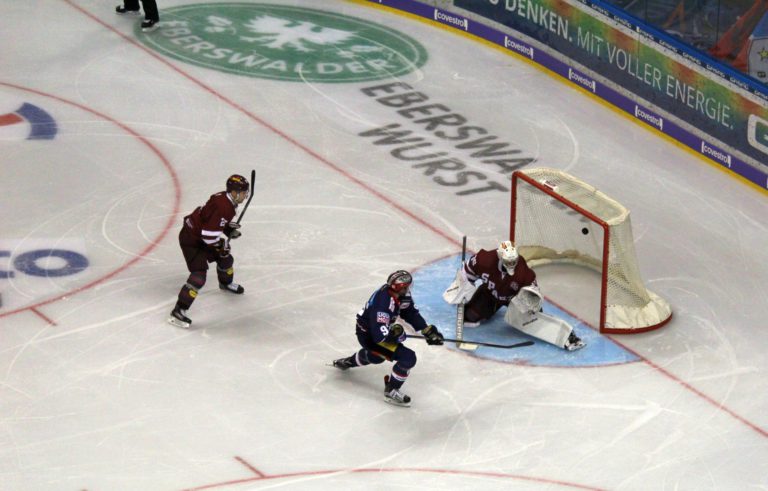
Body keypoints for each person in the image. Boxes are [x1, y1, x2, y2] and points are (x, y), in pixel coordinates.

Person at [443, 240, 585, 351]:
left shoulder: (523, 273)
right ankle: (489, 307)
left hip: (514, 300)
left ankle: (567, 337)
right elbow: (467, 271)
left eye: (513, 261)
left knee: (533, 320)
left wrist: (530, 308)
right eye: (508, 261)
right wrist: (463, 287)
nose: (511, 264)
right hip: (490, 294)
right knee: (469, 317)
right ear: (500, 257)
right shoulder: (484, 259)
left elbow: (533, 294)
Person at [332, 270, 444, 407]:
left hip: (377, 333)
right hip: (370, 336)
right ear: (399, 287)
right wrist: (398, 336)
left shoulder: (399, 294)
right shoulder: (383, 304)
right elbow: (380, 337)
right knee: (408, 358)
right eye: (406, 286)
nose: (408, 288)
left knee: (376, 357)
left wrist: (425, 329)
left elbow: (409, 312)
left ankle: (348, 362)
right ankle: (391, 390)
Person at [168, 174, 250, 329]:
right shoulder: (224, 207)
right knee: (198, 276)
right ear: (234, 192)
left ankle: (225, 284)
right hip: (192, 240)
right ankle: (178, 311)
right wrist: (221, 244)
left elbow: (209, 219)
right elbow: (208, 236)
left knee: (226, 259)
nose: (246, 195)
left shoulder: (226, 200)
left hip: (201, 235)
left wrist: (227, 229)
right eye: (244, 192)